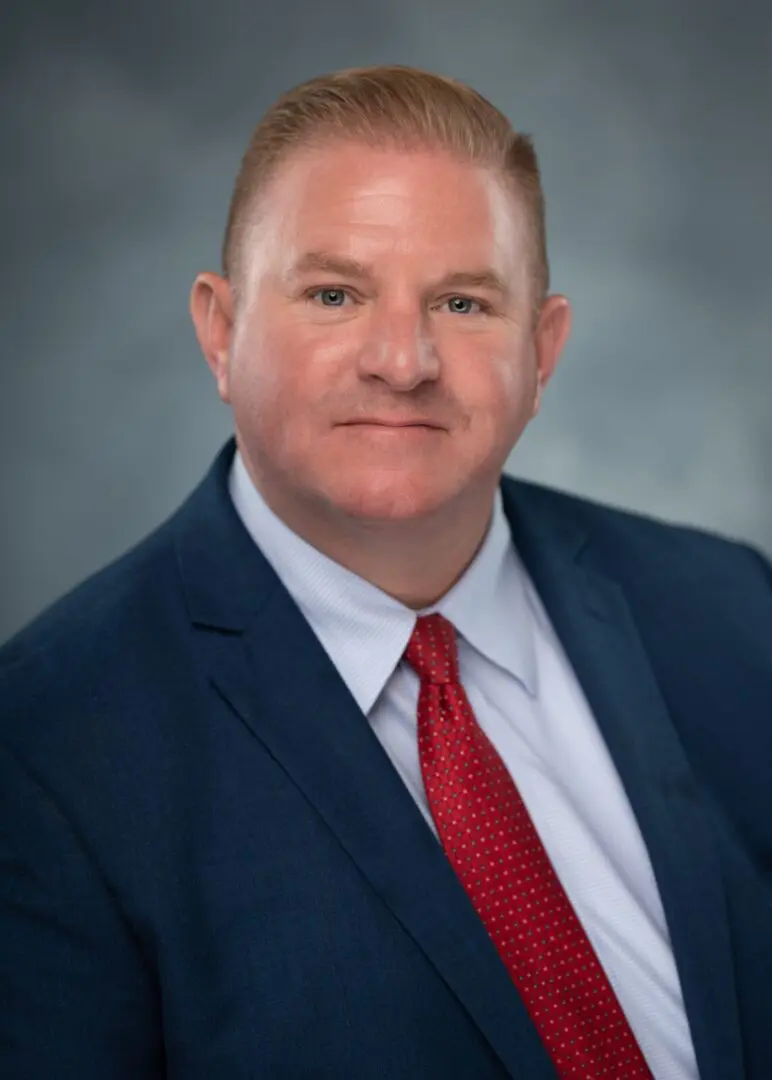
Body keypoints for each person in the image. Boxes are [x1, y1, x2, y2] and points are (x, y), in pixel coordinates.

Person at [0, 64, 770, 1080]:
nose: (403, 360)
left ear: (542, 355)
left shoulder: (731, 611)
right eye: (333, 293)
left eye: (460, 300)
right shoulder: (46, 751)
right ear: (220, 332)